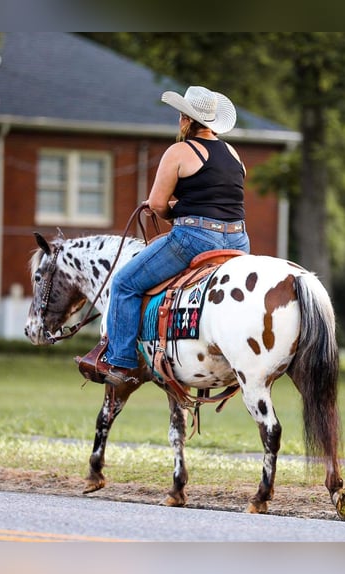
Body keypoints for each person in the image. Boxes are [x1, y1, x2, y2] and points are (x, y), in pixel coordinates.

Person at [80, 85, 251, 387]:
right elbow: (220, 198)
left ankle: (120, 362)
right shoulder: (233, 153)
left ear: (186, 120)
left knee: (125, 283)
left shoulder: (179, 151)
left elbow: (158, 204)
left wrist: (172, 213)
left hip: (196, 239)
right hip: (238, 240)